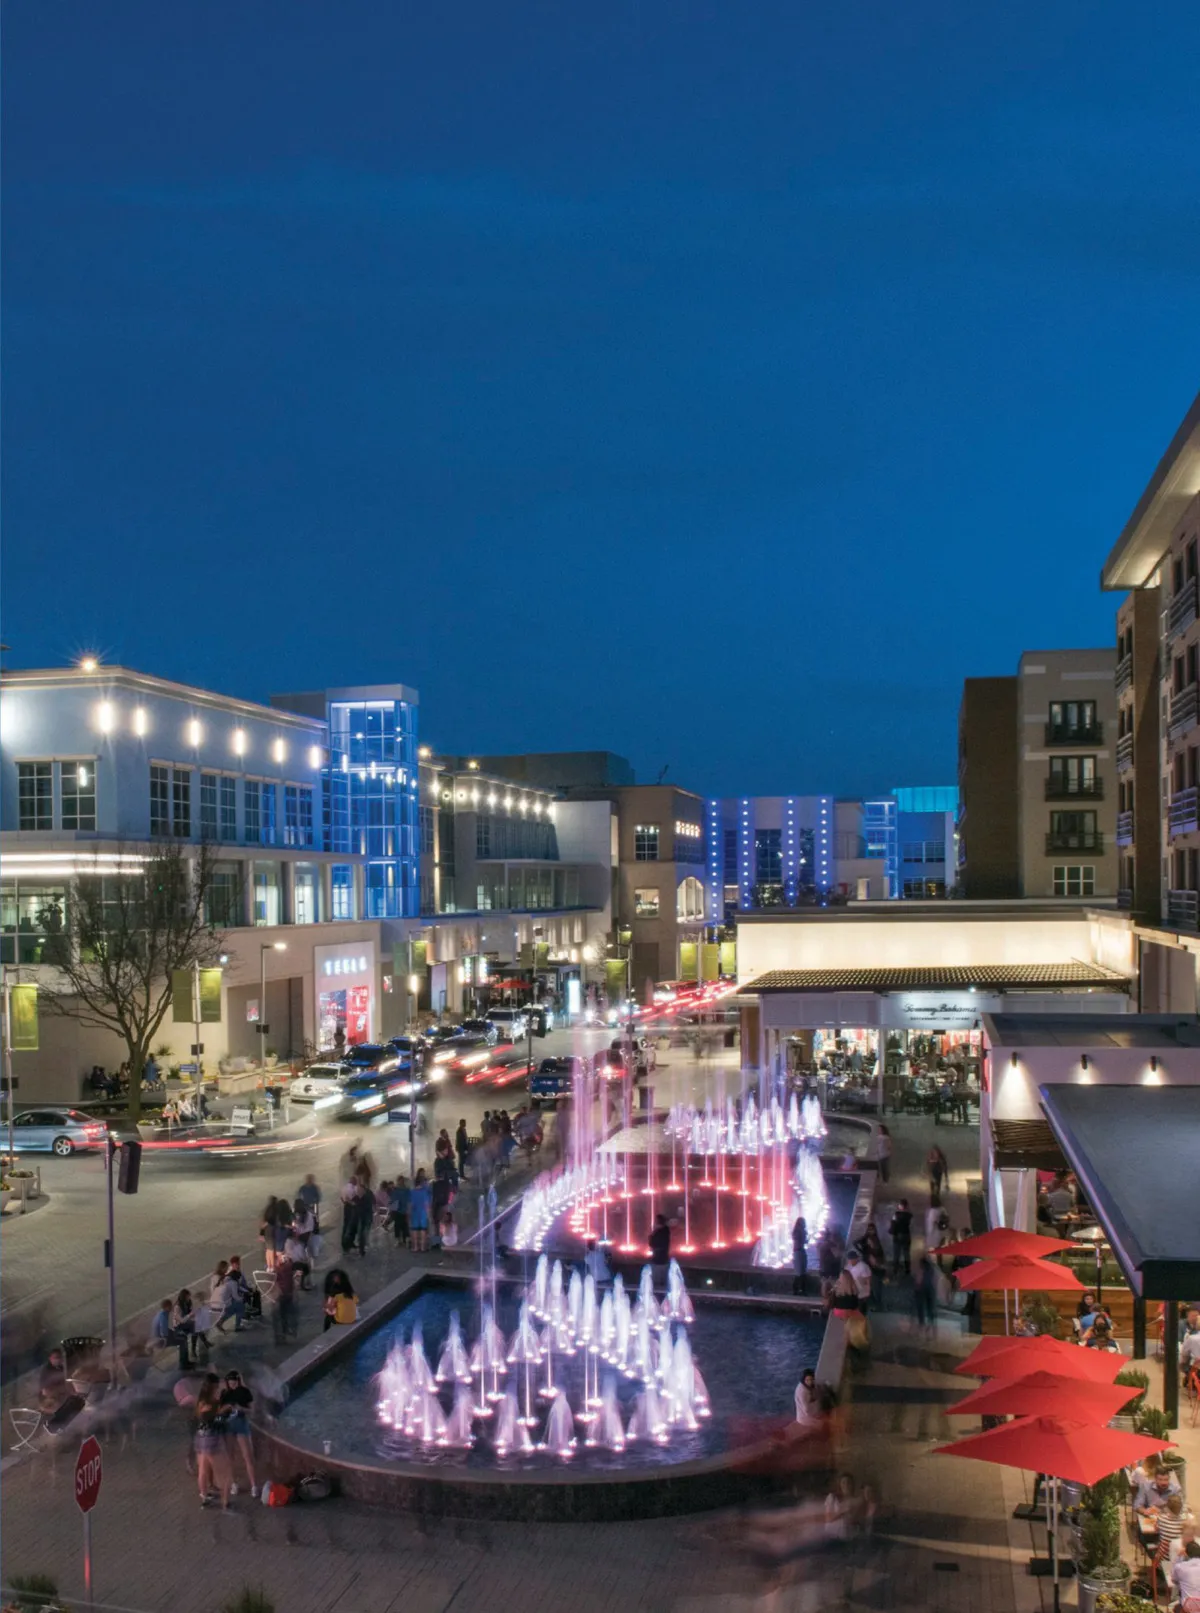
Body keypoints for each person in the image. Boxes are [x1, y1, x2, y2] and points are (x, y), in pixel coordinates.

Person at [193, 1375, 232, 1509]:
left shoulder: (201, 1401)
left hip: (200, 1437)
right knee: (225, 1471)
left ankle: (204, 1497)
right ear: (214, 1387)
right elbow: (216, 1420)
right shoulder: (212, 1403)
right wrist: (224, 1411)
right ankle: (225, 1501)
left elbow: (202, 1418)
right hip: (212, 1438)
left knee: (202, 1469)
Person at [218, 1370, 258, 1498]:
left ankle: (254, 1485)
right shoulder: (225, 1393)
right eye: (230, 1383)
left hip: (241, 1424)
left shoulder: (245, 1392)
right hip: (228, 1426)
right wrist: (226, 1408)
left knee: (248, 1456)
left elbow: (252, 1411)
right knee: (230, 1456)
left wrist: (242, 1409)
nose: (232, 1385)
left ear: (238, 1381)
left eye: (234, 1382)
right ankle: (234, 1483)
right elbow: (219, 1410)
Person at [153, 1297, 192, 1370]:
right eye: (170, 1306)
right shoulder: (163, 1316)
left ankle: (184, 1361)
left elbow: (164, 1330)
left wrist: (173, 1333)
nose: (171, 1307)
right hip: (161, 1340)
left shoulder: (161, 1313)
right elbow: (164, 1333)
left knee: (182, 1336)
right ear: (167, 1307)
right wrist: (173, 1335)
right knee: (183, 1340)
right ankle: (184, 1364)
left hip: (157, 1338)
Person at [272, 1253, 298, 1344]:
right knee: (286, 1315)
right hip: (285, 1295)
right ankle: (285, 1332)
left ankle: (283, 1333)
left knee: (283, 1315)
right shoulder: (286, 1270)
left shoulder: (280, 1270)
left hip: (283, 1295)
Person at [37, 1348, 71, 1416]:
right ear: (50, 1359)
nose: (57, 1360)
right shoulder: (47, 1371)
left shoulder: (62, 1367)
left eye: (59, 1357)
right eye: (55, 1358)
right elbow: (45, 1391)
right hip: (50, 1398)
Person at [172, 1288, 201, 1365]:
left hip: (186, 1323)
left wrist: (195, 1313)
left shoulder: (188, 1302)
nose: (189, 1298)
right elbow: (181, 1320)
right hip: (178, 1326)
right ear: (184, 1297)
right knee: (184, 1342)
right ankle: (185, 1361)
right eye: (188, 1297)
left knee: (196, 1329)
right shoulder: (177, 1307)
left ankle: (193, 1350)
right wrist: (190, 1315)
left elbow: (191, 1311)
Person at [913, 1254, 938, 1336]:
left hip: (921, 1290)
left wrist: (916, 1287)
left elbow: (918, 1280)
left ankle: (922, 1325)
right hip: (931, 1290)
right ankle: (931, 1326)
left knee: (921, 1308)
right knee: (930, 1308)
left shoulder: (921, 1269)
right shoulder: (932, 1270)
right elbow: (935, 1281)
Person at [1171, 1540, 1200, 1606]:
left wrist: (1179, 1556)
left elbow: (1173, 1580)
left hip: (1188, 1606)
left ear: (1186, 1554)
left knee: (1174, 1597)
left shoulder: (1180, 1567)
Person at [410, 1170, 432, 1253]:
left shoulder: (412, 1192)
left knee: (415, 1230)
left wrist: (409, 1214)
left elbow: (411, 1204)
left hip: (415, 1213)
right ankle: (422, 1247)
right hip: (423, 1213)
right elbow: (427, 1204)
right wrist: (428, 1215)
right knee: (423, 1230)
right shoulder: (424, 1192)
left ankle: (415, 1247)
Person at [889, 1200, 913, 1277]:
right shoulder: (909, 1215)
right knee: (906, 1253)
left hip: (897, 1236)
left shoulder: (896, 1214)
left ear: (901, 1206)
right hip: (906, 1235)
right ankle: (907, 1269)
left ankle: (895, 1270)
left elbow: (893, 1225)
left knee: (896, 1253)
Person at [388, 1176, 411, 1247]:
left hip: (402, 1210)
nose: (400, 1182)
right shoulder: (398, 1190)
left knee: (402, 1226)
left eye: (401, 1181)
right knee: (400, 1225)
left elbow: (409, 1201)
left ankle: (402, 1241)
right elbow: (392, 1200)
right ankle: (401, 1241)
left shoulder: (405, 1190)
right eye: (399, 1181)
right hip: (399, 1210)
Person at [791, 1214, 808, 1296]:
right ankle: (797, 1289)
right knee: (799, 1272)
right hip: (798, 1252)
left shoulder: (800, 1231)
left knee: (802, 1271)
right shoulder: (798, 1231)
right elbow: (799, 1240)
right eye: (803, 1222)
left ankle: (800, 1289)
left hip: (800, 1251)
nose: (805, 1224)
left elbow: (803, 1241)